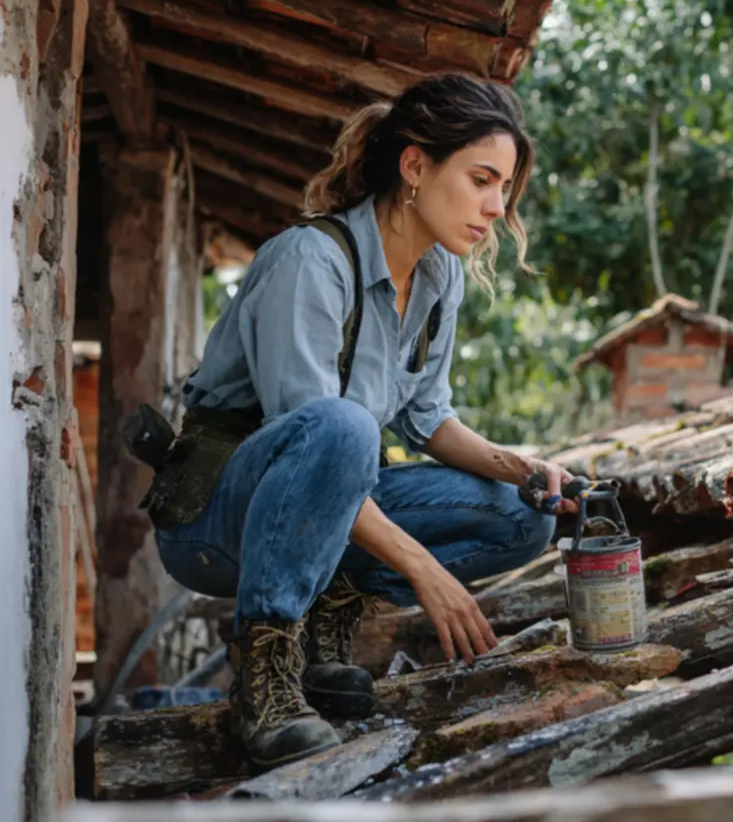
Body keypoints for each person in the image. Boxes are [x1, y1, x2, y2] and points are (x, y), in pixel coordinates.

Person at [147, 73, 574, 770]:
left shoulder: (440, 278)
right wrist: (422, 567)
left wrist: (524, 469)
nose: (497, 207)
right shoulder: (309, 261)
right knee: (344, 428)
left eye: (505, 188)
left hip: (326, 511)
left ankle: (327, 619)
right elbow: (314, 438)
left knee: (523, 516)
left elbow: (428, 419)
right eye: (482, 180)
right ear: (414, 167)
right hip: (214, 521)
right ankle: (266, 676)